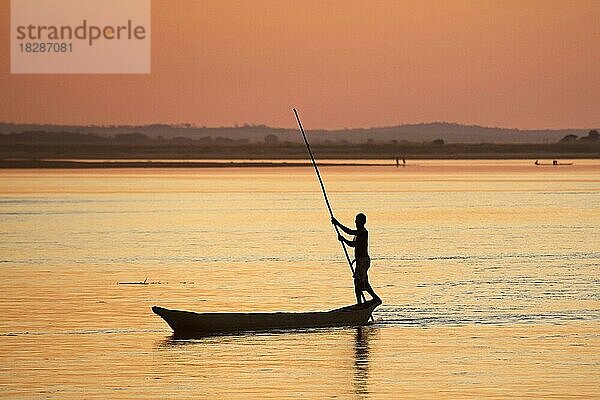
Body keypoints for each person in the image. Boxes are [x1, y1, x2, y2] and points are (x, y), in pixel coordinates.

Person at [332, 213, 382, 305]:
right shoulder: (358, 234)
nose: (356, 222)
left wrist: (337, 223)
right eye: (356, 220)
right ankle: (362, 302)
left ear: (363, 222)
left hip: (363, 261)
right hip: (360, 262)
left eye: (358, 220)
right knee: (361, 283)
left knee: (359, 282)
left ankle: (369, 301)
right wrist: (343, 239)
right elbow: (353, 244)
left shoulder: (363, 232)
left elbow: (350, 232)